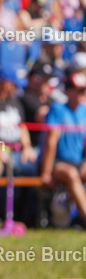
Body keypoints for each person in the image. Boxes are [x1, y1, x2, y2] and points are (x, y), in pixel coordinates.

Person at [41, 72, 86, 225]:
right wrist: (46, 172)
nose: (82, 94)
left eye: (83, 90)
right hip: (58, 162)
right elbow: (51, 142)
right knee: (71, 174)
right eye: (79, 90)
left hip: (78, 161)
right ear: (68, 91)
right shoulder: (58, 109)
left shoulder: (84, 111)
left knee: (76, 172)